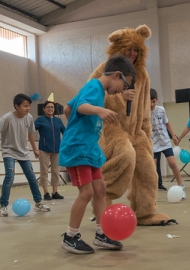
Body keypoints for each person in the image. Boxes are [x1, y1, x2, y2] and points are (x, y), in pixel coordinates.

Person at [88, 25, 175, 226]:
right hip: (112, 128)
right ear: (118, 48)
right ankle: (101, 200)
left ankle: (145, 213)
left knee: (148, 170)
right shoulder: (103, 69)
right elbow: (89, 98)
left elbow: (145, 108)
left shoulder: (142, 74)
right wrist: (118, 97)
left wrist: (146, 135)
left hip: (137, 132)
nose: (132, 53)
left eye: (136, 49)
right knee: (125, 157)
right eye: (128, 49)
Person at [59, 55, 136, 254]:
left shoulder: (97, 90)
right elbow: (83, 107)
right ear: (116, 75)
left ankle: (102, 233)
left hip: (90, 148)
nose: (121, 91)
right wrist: (98, 111)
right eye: (124, 85)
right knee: (87, 192)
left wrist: (76, 126)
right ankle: (70, 236)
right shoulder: (94, 87)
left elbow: (69, 108)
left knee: (100, 188)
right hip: (78, 149)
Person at [0, 94, 51, 217]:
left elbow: (30, 133)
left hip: (23, 152)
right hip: (9, 151)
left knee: (32, 177)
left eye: (29, 106)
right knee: (10, 176)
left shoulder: (29, 117)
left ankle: (38, 203)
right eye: (25, 106)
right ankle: (3, 206)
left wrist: (35, 149)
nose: (28, 109)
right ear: (17, 106)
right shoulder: (7, 118)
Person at [150, 88, 186, 199]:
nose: (151, 104)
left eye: (153, 101)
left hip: (165, 142)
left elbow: (167, 123)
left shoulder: (161, 110)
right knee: (152, 167)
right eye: (149, 102)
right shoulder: (142, 112)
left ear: (157, 100)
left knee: (172, 163)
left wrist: (173, 136)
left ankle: (181, 186)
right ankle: (151, 191)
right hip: (153, 143)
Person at [35, 100, 65, 200]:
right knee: (44, 172)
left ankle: (55, 192)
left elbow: (65, 132)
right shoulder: (40, 120)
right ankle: (46, 193)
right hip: (44, 149)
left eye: (52, 107)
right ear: (44, 109)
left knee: (56, 171)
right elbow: (31, 130)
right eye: (48, 107)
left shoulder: (58, 121)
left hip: (56, 149)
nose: (50, 109)